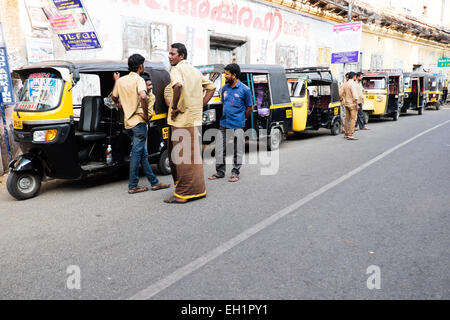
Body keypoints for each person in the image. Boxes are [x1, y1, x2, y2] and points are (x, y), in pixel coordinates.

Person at [164, 43, 216, 204]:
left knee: (182, 158)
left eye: (173, 54)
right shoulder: (194, 70)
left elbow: (178, 86)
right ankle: (198, 190)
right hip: (193, 119)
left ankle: (183, 194)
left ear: (181, 56)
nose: (170, 56)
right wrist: (200, 105)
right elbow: (212, 87)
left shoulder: (176, 69)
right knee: (193, 158)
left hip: (181, 120)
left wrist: (174, 107)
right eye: (170, 53)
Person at [111, 54, 170, 194]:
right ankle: (133, 185)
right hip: (139, 123)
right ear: (140, 66)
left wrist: (120, 104)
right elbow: (143, 96)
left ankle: (154, 182)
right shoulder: (139, 80)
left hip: (128, 123)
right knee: (137, 154)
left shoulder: (121, 81)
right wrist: (145, 114)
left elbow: (114, 97)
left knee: (142, 154)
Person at [208, 64, 252, 183]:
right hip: (224, 123)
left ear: (234, 75)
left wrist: (243, 119)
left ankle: (235, 172)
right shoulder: (224, 89)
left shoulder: (245, 90)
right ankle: (220, 171)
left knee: (238, 149)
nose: (225, 76)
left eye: (227, 74)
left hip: (238, 124)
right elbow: (224, 104)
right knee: (219, 148)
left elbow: (249, 108)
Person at [339, 71, 359, 140]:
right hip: (352, 104)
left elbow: (340, 93)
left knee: (347, 119)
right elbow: (355, 95)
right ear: (354, 77)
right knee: (353, 119)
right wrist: (357, 104)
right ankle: (350, 134)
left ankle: (346, 133)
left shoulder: (345, 84)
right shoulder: (353, 84)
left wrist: (343, 99)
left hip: (346, 103)